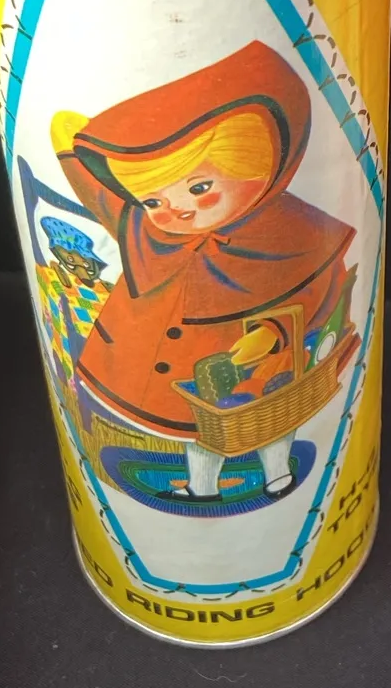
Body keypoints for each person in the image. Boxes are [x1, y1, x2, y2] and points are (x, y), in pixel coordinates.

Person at [51, 41, 354, 499]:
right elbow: (98, 192)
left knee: (268, 423)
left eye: (199, 187)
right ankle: (202, 489)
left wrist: (271, 334)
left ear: (260, 166)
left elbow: (315, 291)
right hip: (166, 385)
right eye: (152, 200)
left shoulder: (295, 233)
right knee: (201, 433)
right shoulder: (146, 231)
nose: (178, 211)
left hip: (258, 372)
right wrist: (78, 146)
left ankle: (276, 476)